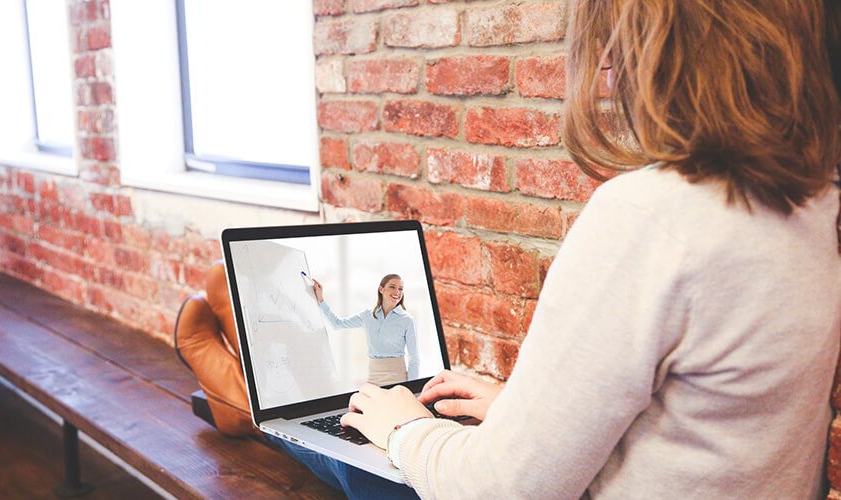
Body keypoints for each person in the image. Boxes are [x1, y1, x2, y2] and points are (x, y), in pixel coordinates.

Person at [332, 1, 841, 499]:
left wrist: (404, 430)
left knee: (323, 454)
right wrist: (527, 415)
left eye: (617, 42)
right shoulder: (817, 202)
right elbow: (710, 422)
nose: (610, 67)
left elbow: (498, 489)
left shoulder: (650, 217)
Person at [312, 274, 419, 385]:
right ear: (381, 289)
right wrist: (321, 300)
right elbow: (337, 324)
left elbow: (414, 358)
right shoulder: (368, 316)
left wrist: (412, 387)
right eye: (392, 287)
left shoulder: (407, 320)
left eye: (400, 289)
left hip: (398, 378)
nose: (397, 292)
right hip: (373, 378)